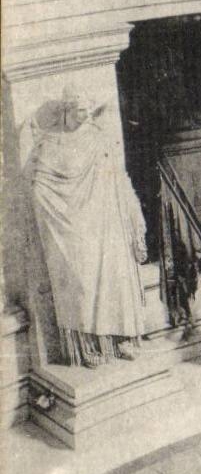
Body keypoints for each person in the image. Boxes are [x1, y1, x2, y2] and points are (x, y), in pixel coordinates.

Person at [29, 86, 147, 366]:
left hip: (105, 222)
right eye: (79, 110)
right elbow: (39, 187)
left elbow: (119, 176)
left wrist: (134, 220)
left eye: (87, 110)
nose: (84, 116)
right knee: (79, 283)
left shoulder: (99, 139)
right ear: (66, 110)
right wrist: (59, 215)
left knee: (113, 280)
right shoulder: (52, 144)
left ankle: (120, 340)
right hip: (71, 229)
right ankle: (86, 348)